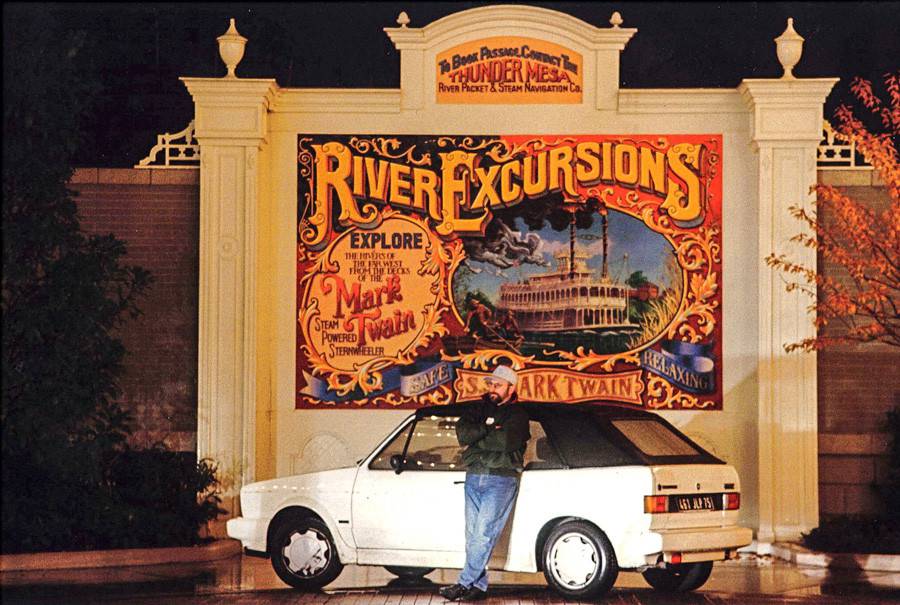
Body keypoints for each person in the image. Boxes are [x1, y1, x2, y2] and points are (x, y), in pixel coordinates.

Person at [439, 365, 530, 601]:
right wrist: (490, 427)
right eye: (491, 384)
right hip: (474, 476)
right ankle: (478, 586)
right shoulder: (479, 408)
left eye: (498, 385)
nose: (492, 389)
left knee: (483, 534)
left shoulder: (518, 414)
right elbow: (463, 435)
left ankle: (464, 583)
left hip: (501, 479)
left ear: (511, 388)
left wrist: (479, 438)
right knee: (472, 535)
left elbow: (505, 443)